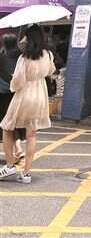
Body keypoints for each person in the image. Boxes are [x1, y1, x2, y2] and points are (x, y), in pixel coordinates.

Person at [0, 25, 55, 184]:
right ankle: (26, 173)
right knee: (32, 135)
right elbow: (50, 71)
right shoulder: (48, 55)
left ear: (28, 38)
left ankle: (10, 165)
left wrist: (13, 83)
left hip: (24, 95)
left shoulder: (24, 57)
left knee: (7, 128)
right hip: (40, 95)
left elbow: (17, 82)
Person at [0, 34, 25, 163]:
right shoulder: (22, 57)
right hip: (17, 92)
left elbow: (4, 75)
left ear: (4, 43)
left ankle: (17, 150)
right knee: (13, 121)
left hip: (3, 94)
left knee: (6, 122)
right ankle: (18, 148)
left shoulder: (2, 57)